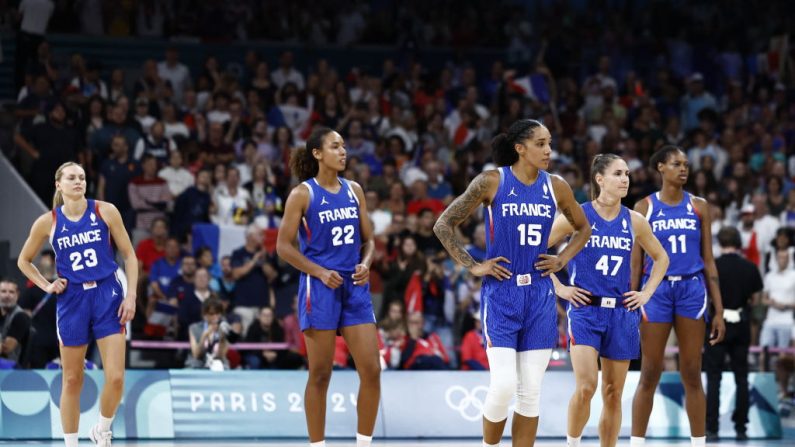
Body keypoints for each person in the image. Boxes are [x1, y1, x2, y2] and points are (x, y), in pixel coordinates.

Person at [433, 119, 591, 447]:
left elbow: (583, 228)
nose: (549, 150)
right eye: (540, 143)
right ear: (520, 148)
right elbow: (443, 223)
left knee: (530, 391)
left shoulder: (556, 186)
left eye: (549, 143)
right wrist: (473, 266)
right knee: (504, 385)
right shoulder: (492, 181)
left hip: (540, 293)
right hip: (502, 292)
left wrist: (561, 260)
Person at [546, 154, 669, 447]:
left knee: (613, 392)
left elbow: (661, 257)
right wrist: (559, 288)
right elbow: (534, 247)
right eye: (617, 173)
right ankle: (573, 443)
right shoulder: (579, 215)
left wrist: (646, 293)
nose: (625, 178)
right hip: (585, 310)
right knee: (587, 386)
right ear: (600, 179)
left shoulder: (634, 220)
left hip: (621, 314)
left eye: (627, 173)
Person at [17, 162, 138, 447]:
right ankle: (71, 444)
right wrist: (47, 284)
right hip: (72, 300)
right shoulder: (48, 222)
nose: (78, 181)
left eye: (82, 177)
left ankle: (102, 430)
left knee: (117, 377)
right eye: (71, 177)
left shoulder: (104, 211)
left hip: (107, 294)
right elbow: (24, 260)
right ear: (59, 184)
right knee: (72, 379)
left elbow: (130, 256)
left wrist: (131, 295)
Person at [276, 127, 380, 447]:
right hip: (319, 287)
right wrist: (320, 272)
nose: (343, 152)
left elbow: (370, 240)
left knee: (372, 370)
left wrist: (366, 263)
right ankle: (317, 445)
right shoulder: (302, 194)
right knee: (320, 374)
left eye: (344, 146)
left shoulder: (354, 191)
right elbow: (284, 247)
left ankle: (363, 443)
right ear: (318, 154)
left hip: (354, 286)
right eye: (335, 147)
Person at [630, 145, 726, 447]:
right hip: (655, 290)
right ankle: (636, 442)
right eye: (676, 164)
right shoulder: (644, 207)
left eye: (686, 164)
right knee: (650, 371)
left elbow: (709, 259)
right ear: (660, 167)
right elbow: (636, 260)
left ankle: (699, 443)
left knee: (691, 372)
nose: (683, 169)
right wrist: (632, 301)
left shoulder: (699, 206)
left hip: (691, 288)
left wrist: (720, 310)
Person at [704, 227, 764, 441]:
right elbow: (756, 300)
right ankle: (741, 426)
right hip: (741, 323)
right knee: (741, 377)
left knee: (713, 377)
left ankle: (711, 427)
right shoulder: (750, 267)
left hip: (715, 323)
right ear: (739, 242)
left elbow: (706, 297)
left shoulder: (714, 267)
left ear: (720, 242)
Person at [0, 279, 32, 369]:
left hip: (12, 369)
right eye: (3, 291)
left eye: (11, 292)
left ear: (17, 295)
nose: (7, 295)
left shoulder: (20, 316)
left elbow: (7, 349)